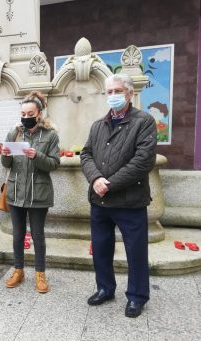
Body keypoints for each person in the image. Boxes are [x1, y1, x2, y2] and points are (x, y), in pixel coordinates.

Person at [80, 73, 158, 318]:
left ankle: (137, 296)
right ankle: (105, 288)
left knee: (135, 251)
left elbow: (143, 161)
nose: (112, 96)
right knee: (102, 248)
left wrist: (110, 183)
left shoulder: (143, 121)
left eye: (117, 91)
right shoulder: (98, 125)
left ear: (129, 94)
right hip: (100, 201)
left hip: (129, 201)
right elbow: (86, 155)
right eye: (109, 92)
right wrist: (95, 179)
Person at [0, 91, 60, 293]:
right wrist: (5, 155)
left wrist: (37, 156)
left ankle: (40, 274)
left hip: (38, 194)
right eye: (23, 114)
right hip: (16, 192)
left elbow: (54, 164)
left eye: (30, 113)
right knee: (17, 235)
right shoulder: (15, 133)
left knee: (38, 235)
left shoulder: (50, 135)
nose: (26, 117)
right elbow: (6, 164)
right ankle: (18, 270)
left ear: (39, 114)